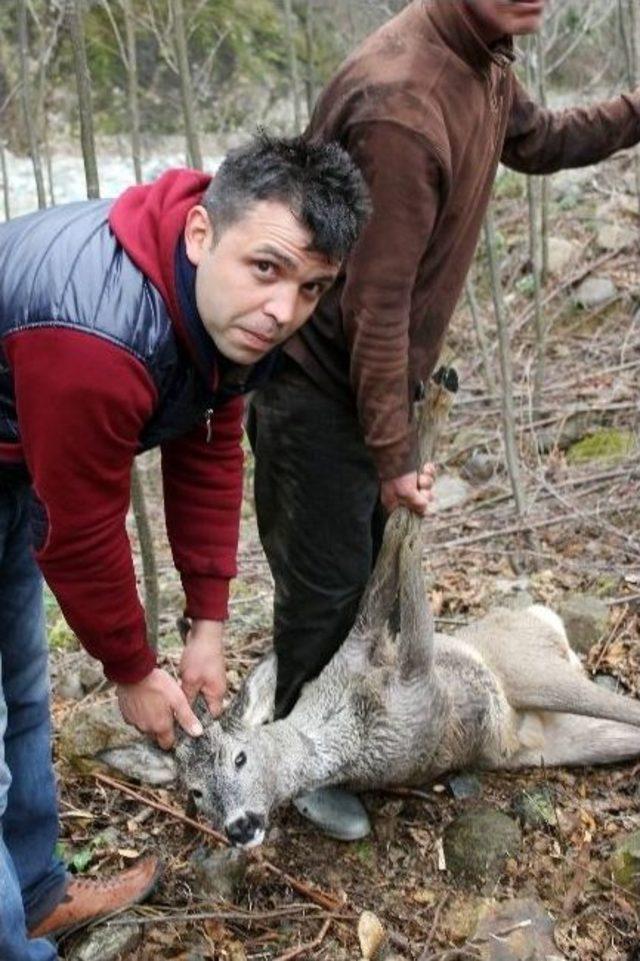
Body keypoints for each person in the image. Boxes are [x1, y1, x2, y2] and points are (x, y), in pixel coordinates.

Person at [248, 0, 640, 839]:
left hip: (372, 385)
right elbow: (376, 308)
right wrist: (395, 454)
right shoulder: (406, 108)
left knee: (368, 588)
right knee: (325, 591)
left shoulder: (482, 57)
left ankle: (368, 731)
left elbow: (538, 141)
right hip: (315, 392)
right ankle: (306, 758)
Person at [0, 133, 369, 960]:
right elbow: (82, 527)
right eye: (267, 269)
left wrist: (207, 620)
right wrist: (131, 667)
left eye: (312, 288)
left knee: (22, 693)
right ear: (202, 234)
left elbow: (208, 439)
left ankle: (33, 893)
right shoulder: (96, 337)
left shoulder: (216, 309)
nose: (285, 310)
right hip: (31, 451)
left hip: (14, 459)